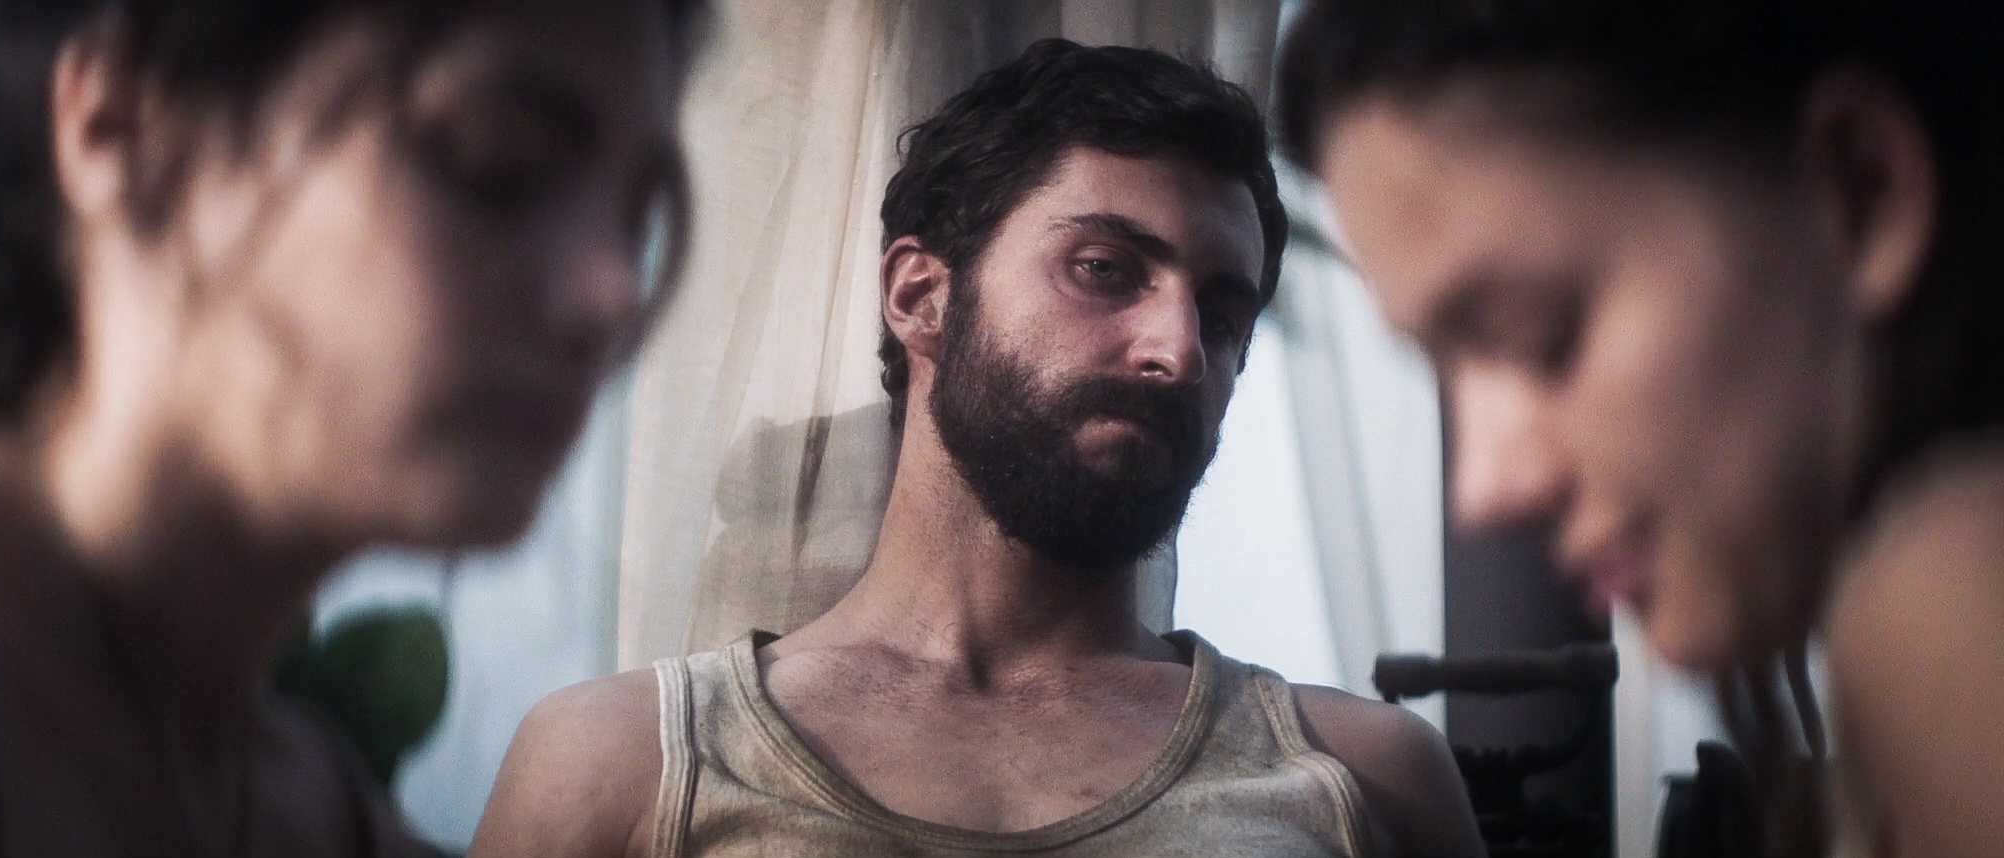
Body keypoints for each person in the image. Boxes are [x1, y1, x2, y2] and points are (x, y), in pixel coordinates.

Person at [471, 38, 1482, 858]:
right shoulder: (617, 765)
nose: (1176, 349)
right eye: (1102, 269)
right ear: (920, 296)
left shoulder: (1369, 781)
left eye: (1222, 315)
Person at [0, 0, 701, 853]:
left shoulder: (314, 811)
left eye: (636, 218)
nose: (610, 293)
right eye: (498, 156)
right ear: (118, 119)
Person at [1275, 1, 2004, 855]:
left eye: (1535, 334)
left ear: (1856, 190)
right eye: (1443, 372)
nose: (1485, 491)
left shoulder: (1947, 580)